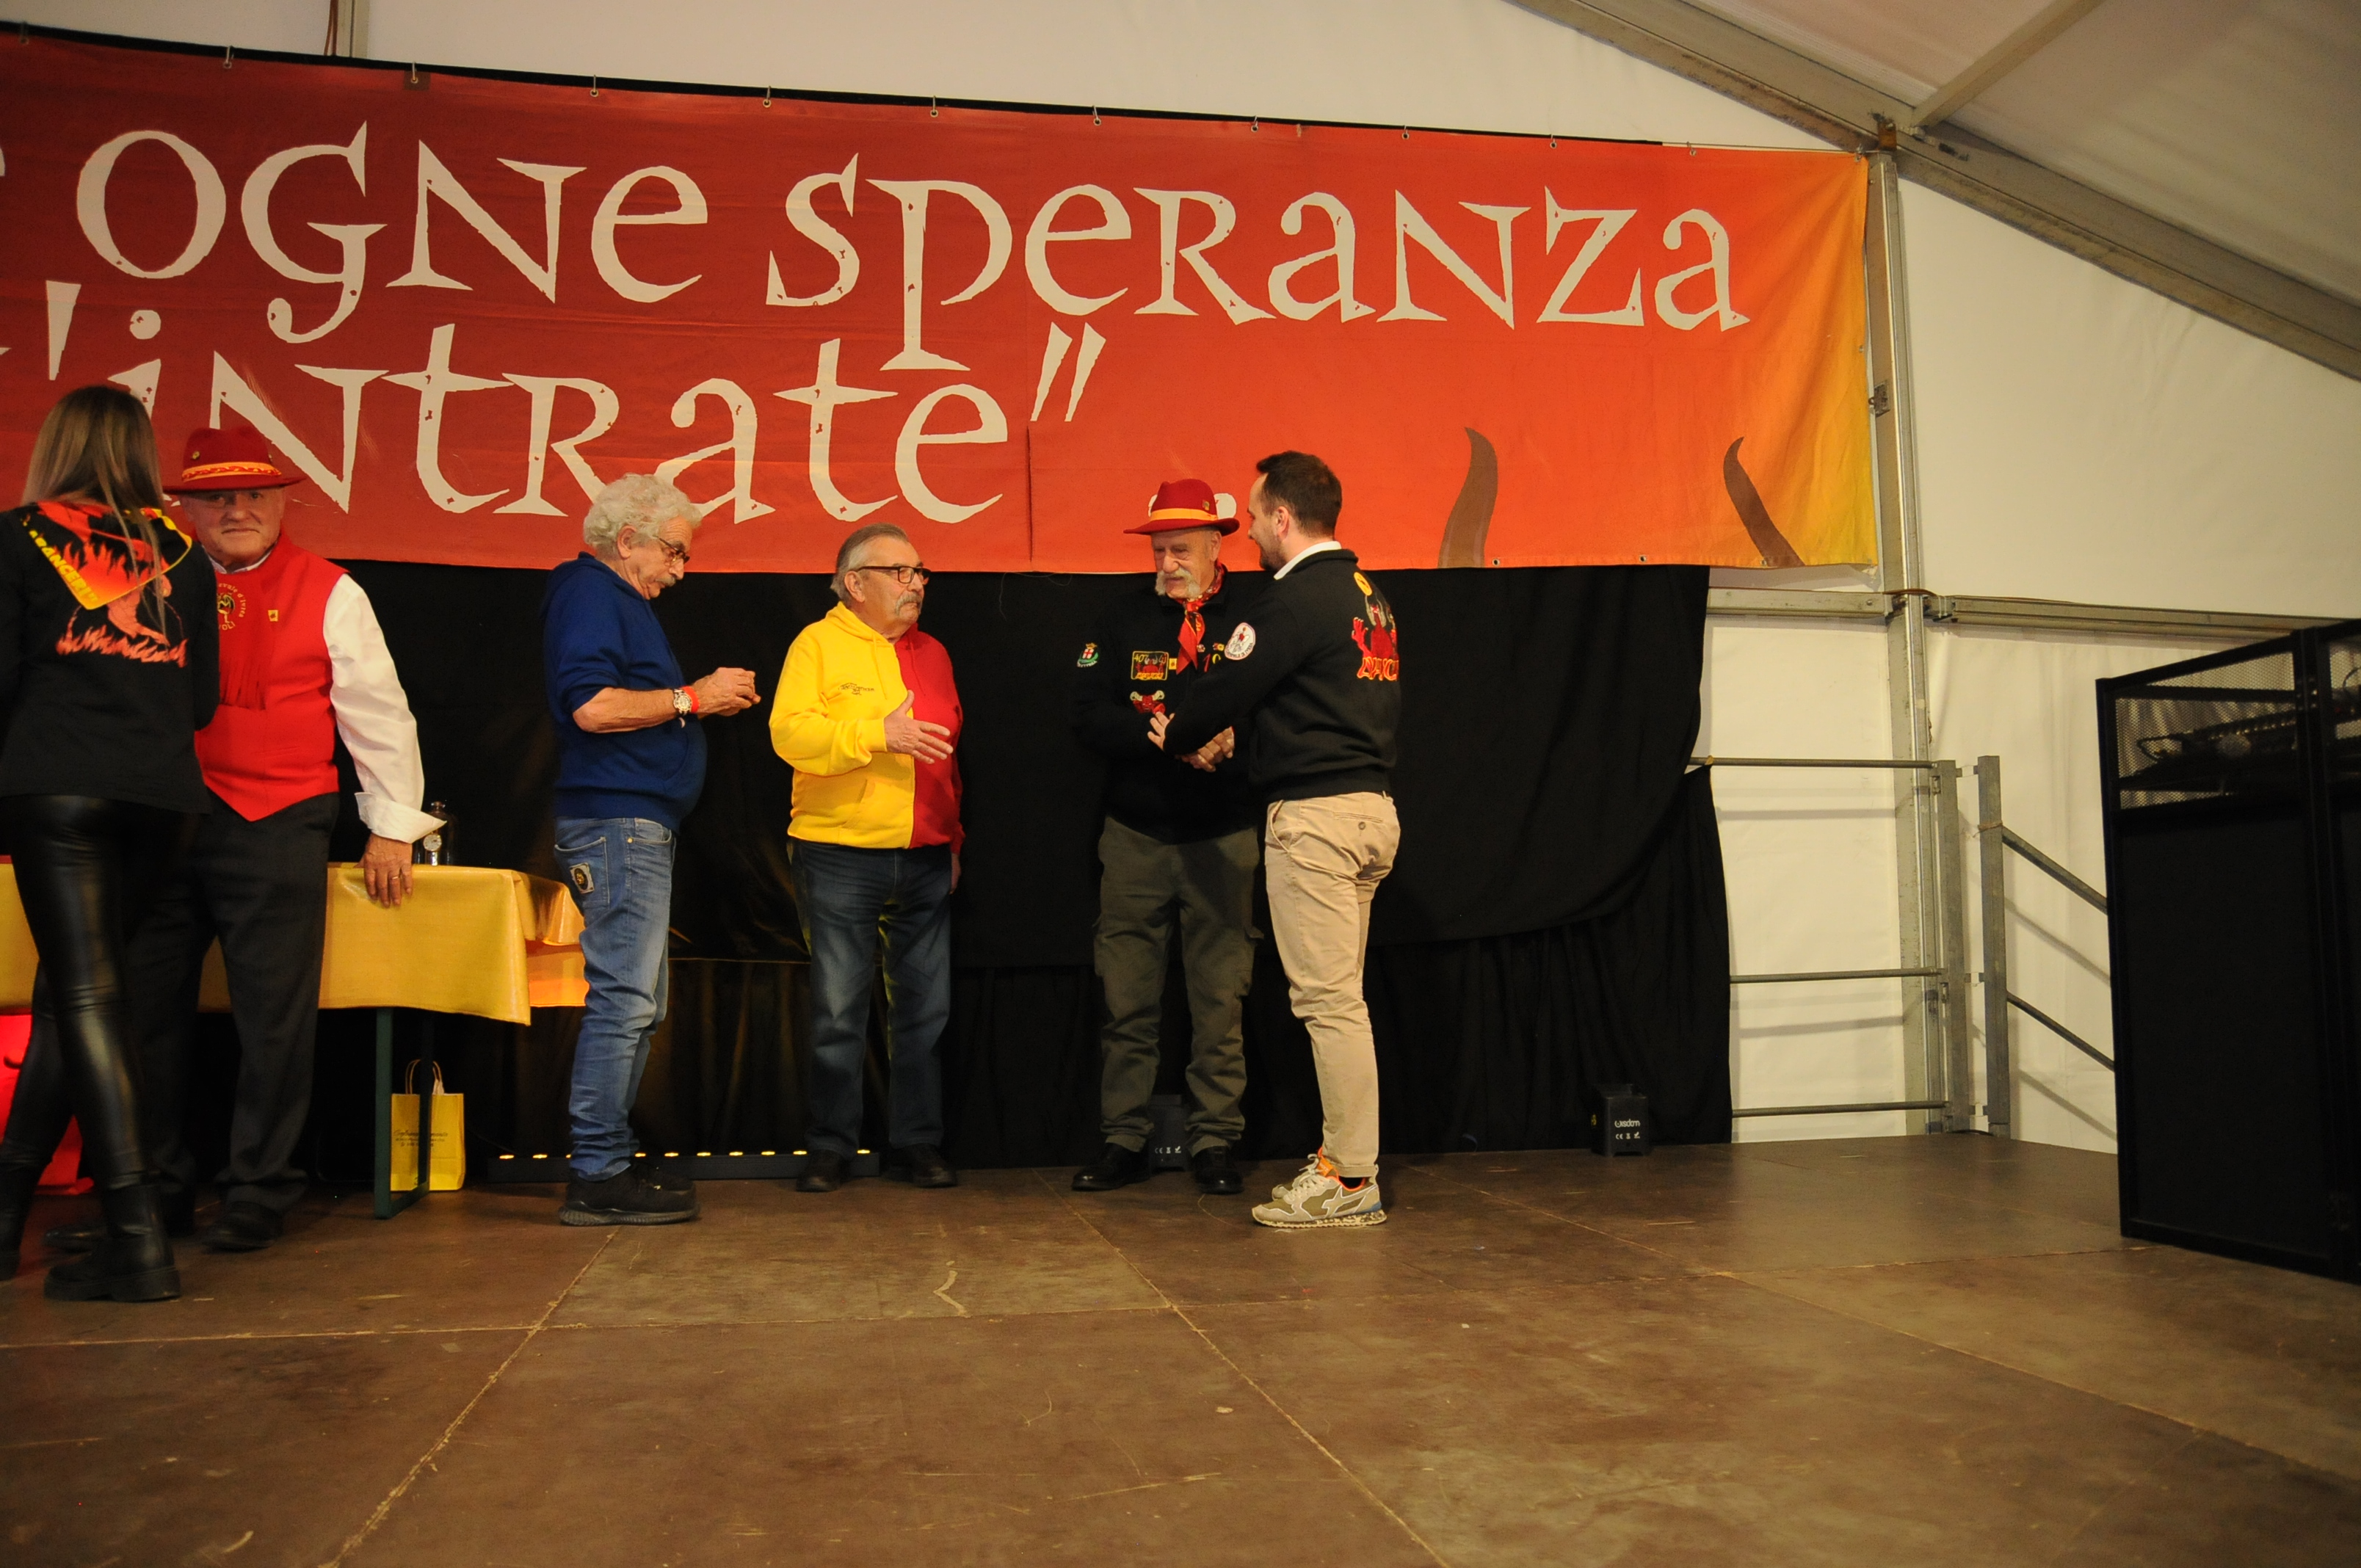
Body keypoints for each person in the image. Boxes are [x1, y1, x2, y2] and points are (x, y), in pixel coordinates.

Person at [29, 425, 444, 1260]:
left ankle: (260, 1189)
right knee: (144, 1014)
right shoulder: (143, 578)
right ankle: (156, 1189)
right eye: (217, 498)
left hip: (277, 819)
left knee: (273, 1020)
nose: (238, 511)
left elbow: (377, 711)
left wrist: (391, 826)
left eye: (255, 495)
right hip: (164, 819)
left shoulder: (330, 589)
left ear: (282, 503)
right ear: (182, 507)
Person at [0, 386, 218, 1299]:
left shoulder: (18, 537)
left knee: (86, 1000)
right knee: (72, 999)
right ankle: (4, 1219)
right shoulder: (184, 553)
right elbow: (200, 703)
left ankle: (138, 1243)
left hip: (59, 789)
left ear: (57, 447)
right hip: (163, 802)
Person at [1158, 451, 1401, 1230]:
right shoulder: (1368, 596)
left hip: (1317, 821)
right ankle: (1348, 1163)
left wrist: (1182, 733)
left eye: (1259, 517)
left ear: (1285, 518)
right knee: (1342, 1001)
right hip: (1370, 809)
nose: (1254, 532)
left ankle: (1351, 1178)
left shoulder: (1293, 598)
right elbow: (1322, 703)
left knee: (1329, 1003)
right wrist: (1248, 739)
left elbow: (1222, 690)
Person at [543, 475, 758, 1226]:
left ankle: (607, 1162)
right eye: (673, 551)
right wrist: (693, 698)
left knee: (638, 1002)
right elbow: (591, 705)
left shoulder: (613, 599)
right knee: (626, 1001)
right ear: (627, 539)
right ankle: (598, 1172)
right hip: (617, 824)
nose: (680, 569)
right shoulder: (590, 591)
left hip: (630, 824)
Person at [1069, 479, 1260, 1197]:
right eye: (1159, 551)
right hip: (1136, 836)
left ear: (1216, 546)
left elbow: (1285, 703)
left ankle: (1215, 1142)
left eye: (1181, 549)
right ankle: (1124, 1140)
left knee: (1219, 1001)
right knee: (1127, 1000)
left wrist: (1233, 741)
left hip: (1224, 835)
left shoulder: (1256, 616)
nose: (1167, 563)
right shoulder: (1122, 618)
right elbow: (1086, 713)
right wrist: (1159, 736)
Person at [771, 523, 963, 1194]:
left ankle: (917, 1143)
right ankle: (831, 1146)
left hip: (926, 857)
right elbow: (790, 734)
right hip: (839, 855)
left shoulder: (933, 653)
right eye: (899, 572)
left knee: (925, 1013)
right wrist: (876, 733)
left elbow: (948, 759)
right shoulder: (817, 644)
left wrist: (953, 841)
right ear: (854, 583)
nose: (916, 584)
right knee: (838, 1012)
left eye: (920, 572)